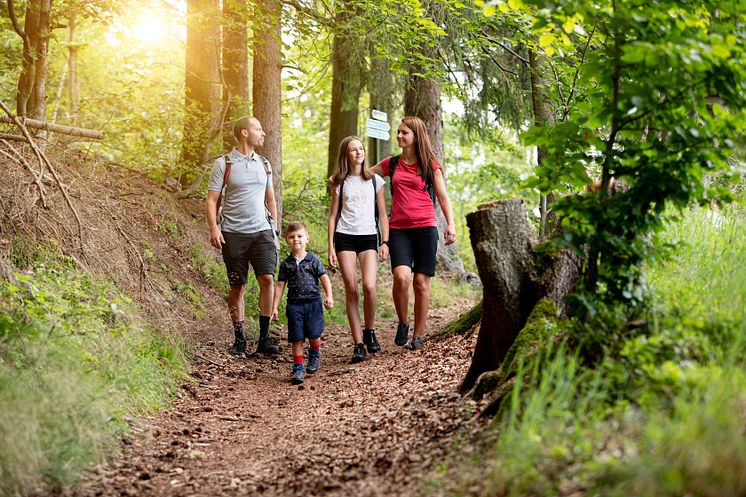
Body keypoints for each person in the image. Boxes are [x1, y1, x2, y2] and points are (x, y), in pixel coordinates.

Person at [369, 116, 457, 350]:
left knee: (420, 282)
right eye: (398, 132)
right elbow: (366, 175)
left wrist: (450, 224)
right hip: (399, 229)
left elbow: (443, 197)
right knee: (402, 278)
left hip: (426, 228)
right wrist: (341, 176)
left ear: (416, 136)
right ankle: (403, 322)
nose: (399, 136)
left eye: (404, 133)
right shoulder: (392, 164)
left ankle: (418, 335)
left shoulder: (430, 165)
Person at [205, 116, 280, 357]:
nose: (263, 133)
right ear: (244, 133)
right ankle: (239, 339)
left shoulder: (264, 163)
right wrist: (214, 228)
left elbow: (270, 198)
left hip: (262, 232)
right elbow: (212, 200)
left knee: (267, 279)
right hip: (233, 234)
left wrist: (274, 228)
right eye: (258, 128)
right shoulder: (224, 163)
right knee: (237, 286)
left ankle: (264, 338)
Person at [327, 136, 389, 364]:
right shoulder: (338, 181)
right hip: (345, 237)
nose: (358, 152)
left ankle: (370, 330)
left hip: (368, 236)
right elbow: (333, 216)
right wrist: (330, 246)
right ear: (346, 154)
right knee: (351, 289)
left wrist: (385, 242)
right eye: (353, 150)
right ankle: (358, 344)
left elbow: (383, 214)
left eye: (361, 148)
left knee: (369, 286)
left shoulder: (375, 181)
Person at [271, 222, 334, 384]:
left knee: (314, 335)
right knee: (296, 337)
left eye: (299, 236)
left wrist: (329, 296)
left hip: (313, 303)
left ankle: (314, 353)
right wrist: (275, 306)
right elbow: (280, 285)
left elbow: (324, 278)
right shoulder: (286, 264)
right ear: (286, 240)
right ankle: (298, 367)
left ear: (307, 239)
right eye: (292, 237)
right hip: (294, 305)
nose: (296, 240)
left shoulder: (313, 260)